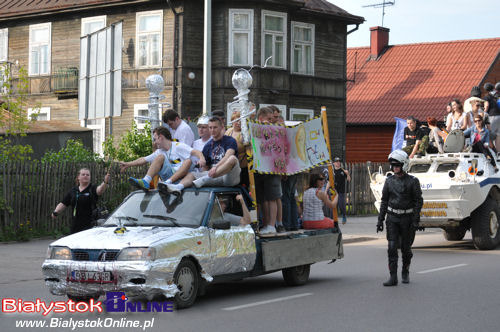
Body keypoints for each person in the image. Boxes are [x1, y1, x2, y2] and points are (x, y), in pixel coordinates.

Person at [377, 150, 423, 286]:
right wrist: (380, 220)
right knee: (392, 247)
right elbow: (384, 200)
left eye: (397, 165)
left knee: (406, 248)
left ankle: (405, 271)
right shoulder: (389, 181)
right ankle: (393, 277)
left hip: (407, 219)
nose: (395, 167)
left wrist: (415, 219)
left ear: (404, 165)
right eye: (393, 165)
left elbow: (418, 201)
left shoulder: (413, 181)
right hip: (392, 218)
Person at [161, 116, 241, 193]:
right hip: (214, 176)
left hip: (229, 175)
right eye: (210, 127)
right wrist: (202, 172)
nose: (212, 130)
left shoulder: (230, 140)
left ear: (221, 127)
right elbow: (205, 167)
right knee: (192, 174)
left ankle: (206, 178)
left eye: (215, 127)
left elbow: (228, 156)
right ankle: (178, 187)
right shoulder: (208, 146)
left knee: (232, 158)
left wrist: (216, 167)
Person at [120, 127, 205, 190]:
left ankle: (168, 183)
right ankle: (146, 181)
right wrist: (128, 164)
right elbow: (143, 159)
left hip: (183, 179)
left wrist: (201, 159)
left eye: (155, 139)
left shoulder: (178, 146)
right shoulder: (159, 151)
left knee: (188, 160)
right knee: (159, 157)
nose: (154, 142)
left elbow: (195, 152)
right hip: (168, 178)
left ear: (161, 137)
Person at [253, 107, 284, 234]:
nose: (272, 122)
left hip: (273, 168)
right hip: (260, 168)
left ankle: (272, 225)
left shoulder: (276, 130)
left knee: (273, 197)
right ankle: (265, 224)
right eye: (269, 119)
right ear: (261, 119)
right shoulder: (255, 128)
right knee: (262, 199)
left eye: (273, 119)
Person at [51, 168, 111, 234]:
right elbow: (63, 203)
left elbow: (100, 190)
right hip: (75, 225)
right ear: (78, 177)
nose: (85, 176)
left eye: (88, 175)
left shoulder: (92, 188)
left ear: (90, 177)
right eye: (83, 174)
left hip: (90, 225)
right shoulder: (73, 191)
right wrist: (55, 212)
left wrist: (105, 182)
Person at [225, 110, 249, 188]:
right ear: (232, 121)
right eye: (236, 120)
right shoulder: (228, 131)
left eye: (241, 121)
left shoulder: (244, 133)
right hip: (229, 167)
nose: (239, 123)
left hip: (242, 168)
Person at [333, 157, 351, 224]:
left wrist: (347, 174)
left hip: (341, 191)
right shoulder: (332, 171)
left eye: (339, 161)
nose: (338, 162)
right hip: (334, 191)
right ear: (334, 163)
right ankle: (334, 219)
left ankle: (344, 216)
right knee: (334, 205)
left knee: (341, 204)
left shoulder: (343, 170)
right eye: (336, 161)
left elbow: (349, 180)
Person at [484, 83, 500, 149]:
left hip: (492, 116)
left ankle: (492, 151)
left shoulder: (487, 96)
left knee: (489, 134)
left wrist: (484, 112)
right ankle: (499, 153)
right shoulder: (496, 95)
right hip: (499, 116)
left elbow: (487, 105)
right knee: (498, 135)